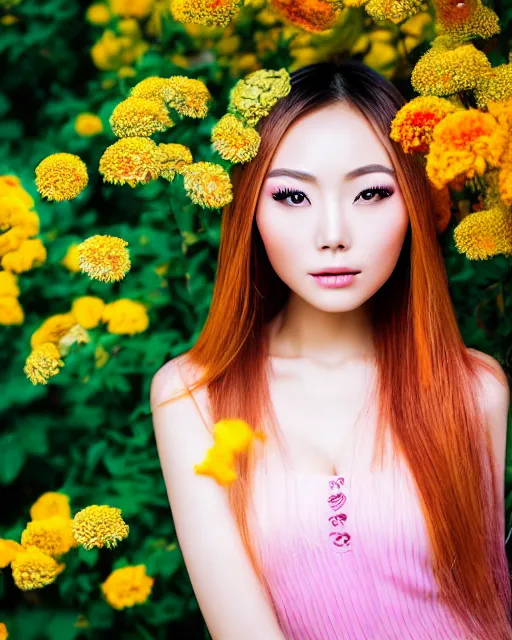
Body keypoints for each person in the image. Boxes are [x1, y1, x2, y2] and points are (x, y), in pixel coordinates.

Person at [150, 60, 512, 640]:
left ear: (415, 205)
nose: (334, 231)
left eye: (371, 191)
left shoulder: (474, 389)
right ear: (250, 211)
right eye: (293, 196)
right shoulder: (195, 395)